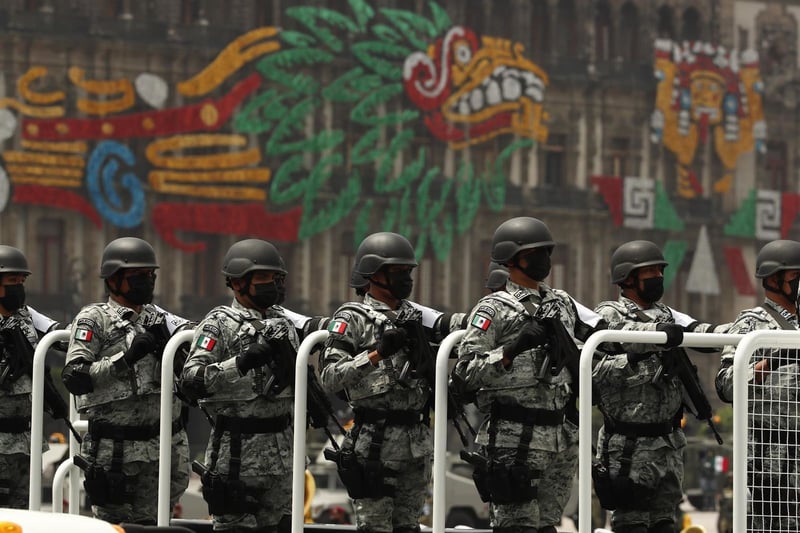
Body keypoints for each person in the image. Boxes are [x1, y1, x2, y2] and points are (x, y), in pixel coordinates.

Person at [450, 217, 608, 533]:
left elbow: (596, 339)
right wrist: (510, 350)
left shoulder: (561, 302)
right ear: (512, 259)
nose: (545, 260)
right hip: (513, 436)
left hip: (559, 436)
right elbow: (466, 371)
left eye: (548, 252)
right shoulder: (492, 308)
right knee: (515, 526)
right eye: (535, 252)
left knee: (549, 525)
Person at [320, 231, 445, 533]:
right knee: (375, 527)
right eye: (398, 272)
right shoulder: (352, 317)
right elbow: (329, 377)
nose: (406, 278)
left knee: (409, 527)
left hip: (416, 439)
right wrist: (375, 355)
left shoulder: (417, 317)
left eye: (408, 272)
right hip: (374, 441)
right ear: (375, 275)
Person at [592, 240, 721, 533]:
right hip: (629, 447)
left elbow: (700, 330)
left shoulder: (667, 315)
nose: (657, 278)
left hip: (668, 443)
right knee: (632, 523)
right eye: (649, 271)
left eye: (660, 272)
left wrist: (742, 331)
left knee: (665, 524)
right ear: (627, 278)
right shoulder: (609, 314)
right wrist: (637, 355)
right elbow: (595, 370)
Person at [62, 237, 190, 524]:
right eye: (137, 276)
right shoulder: (94, 319)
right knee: (115, 525)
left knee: (159, 523)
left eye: (150, 275)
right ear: (114, 280)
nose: (147, 282)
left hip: (163, 446)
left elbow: (195, 346)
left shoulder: (161, 318)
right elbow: (75, 377)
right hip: (116, 451)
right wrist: (126, 358)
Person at [180, 238, 300, 533]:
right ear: (238, 282)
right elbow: (191, 380)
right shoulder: (218, 324)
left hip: (282, 455)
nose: (272, 284)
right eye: (263, 278)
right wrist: (240, 363)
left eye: (275, 278)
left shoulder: (284, 323)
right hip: (235, 455)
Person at [715, 239, 800, 532]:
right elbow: (726, 385)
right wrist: (770, 363)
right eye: (796, 276)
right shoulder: (751, 324)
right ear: (774, 279)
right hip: (769, 457)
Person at [0, 244, 64, 509]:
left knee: (24, 514)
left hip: (24, 443)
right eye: (12, 281)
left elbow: (60, 336)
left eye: (22, 281)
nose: (19, 287)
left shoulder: (27, 316)